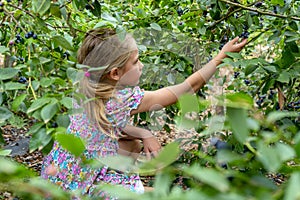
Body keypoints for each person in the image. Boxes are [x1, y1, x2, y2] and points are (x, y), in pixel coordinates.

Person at [40, 27, 247, 199]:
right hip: (79, 189)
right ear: (115, 74)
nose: (142, 65)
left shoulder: (86, 86)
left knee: (134, 144)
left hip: (56, 177)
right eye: (136, 61)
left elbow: (103, 128)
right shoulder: (121, 100)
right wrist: (220, 57)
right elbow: (187, 88)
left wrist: (143, 133)